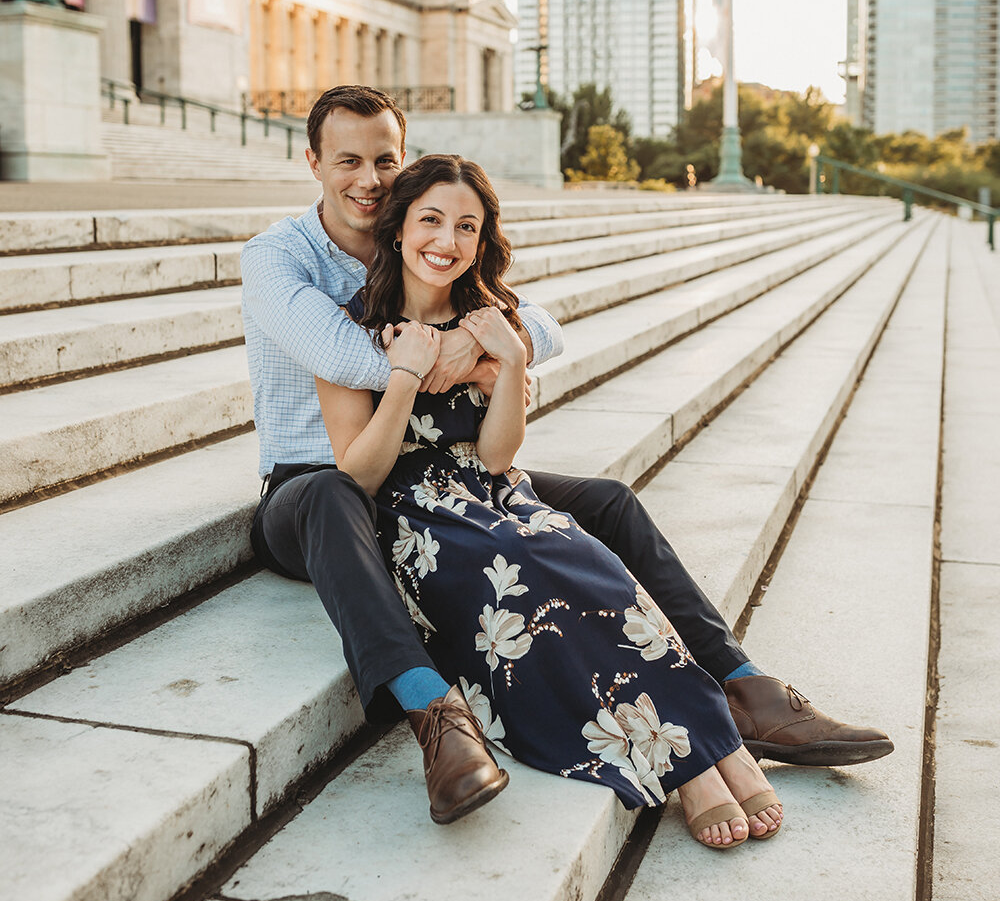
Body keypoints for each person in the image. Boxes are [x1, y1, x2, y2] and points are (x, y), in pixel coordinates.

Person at [241, 86, 892, 833]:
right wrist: (442, 350)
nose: (368, 177)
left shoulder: (430, 250)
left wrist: (497, 344)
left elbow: (535, 322)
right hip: (313, 485)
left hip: (441, 465)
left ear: (405, 161)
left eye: (385, 159)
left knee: (603, 504)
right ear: (312, 161)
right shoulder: (280, 261)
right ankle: (436, 717)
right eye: (347, 160)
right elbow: (338, 355)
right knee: (340, 494)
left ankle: (744, 688)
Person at [319, 152, 786, 849]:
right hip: (415, 520)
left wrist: (508, 361)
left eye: (466, 227)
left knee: (584, 558)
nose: (445, 242)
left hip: (497, 492)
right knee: (520, 556)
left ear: (482, 241)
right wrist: (406, 377)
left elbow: (500, 456)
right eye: (431, 221)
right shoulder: (348, 328)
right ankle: (692, 758)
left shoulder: (491, 322)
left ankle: (708, 737)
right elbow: (359, 473)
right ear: (397, 230)